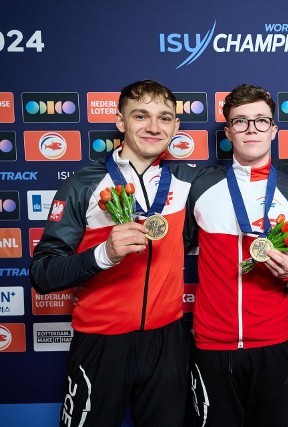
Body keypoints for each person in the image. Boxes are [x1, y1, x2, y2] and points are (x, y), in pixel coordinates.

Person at [30, 80, 202, 426]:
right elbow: (42, 274)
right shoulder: (84, 183)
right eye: (141, 116)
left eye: (164, 118)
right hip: (100, 342)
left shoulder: (189, 180)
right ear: (121, 121)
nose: (154, 127)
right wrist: (103, 254)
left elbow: (249, 177)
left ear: (176, 127)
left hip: (167, 341)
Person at [185, 84, 288, 427]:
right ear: (228, 131)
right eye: (241, 122)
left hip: (272, 344)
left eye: (261, 121)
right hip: (211, 344)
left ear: (274, 129)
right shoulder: (202, 186)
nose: (251, 130)